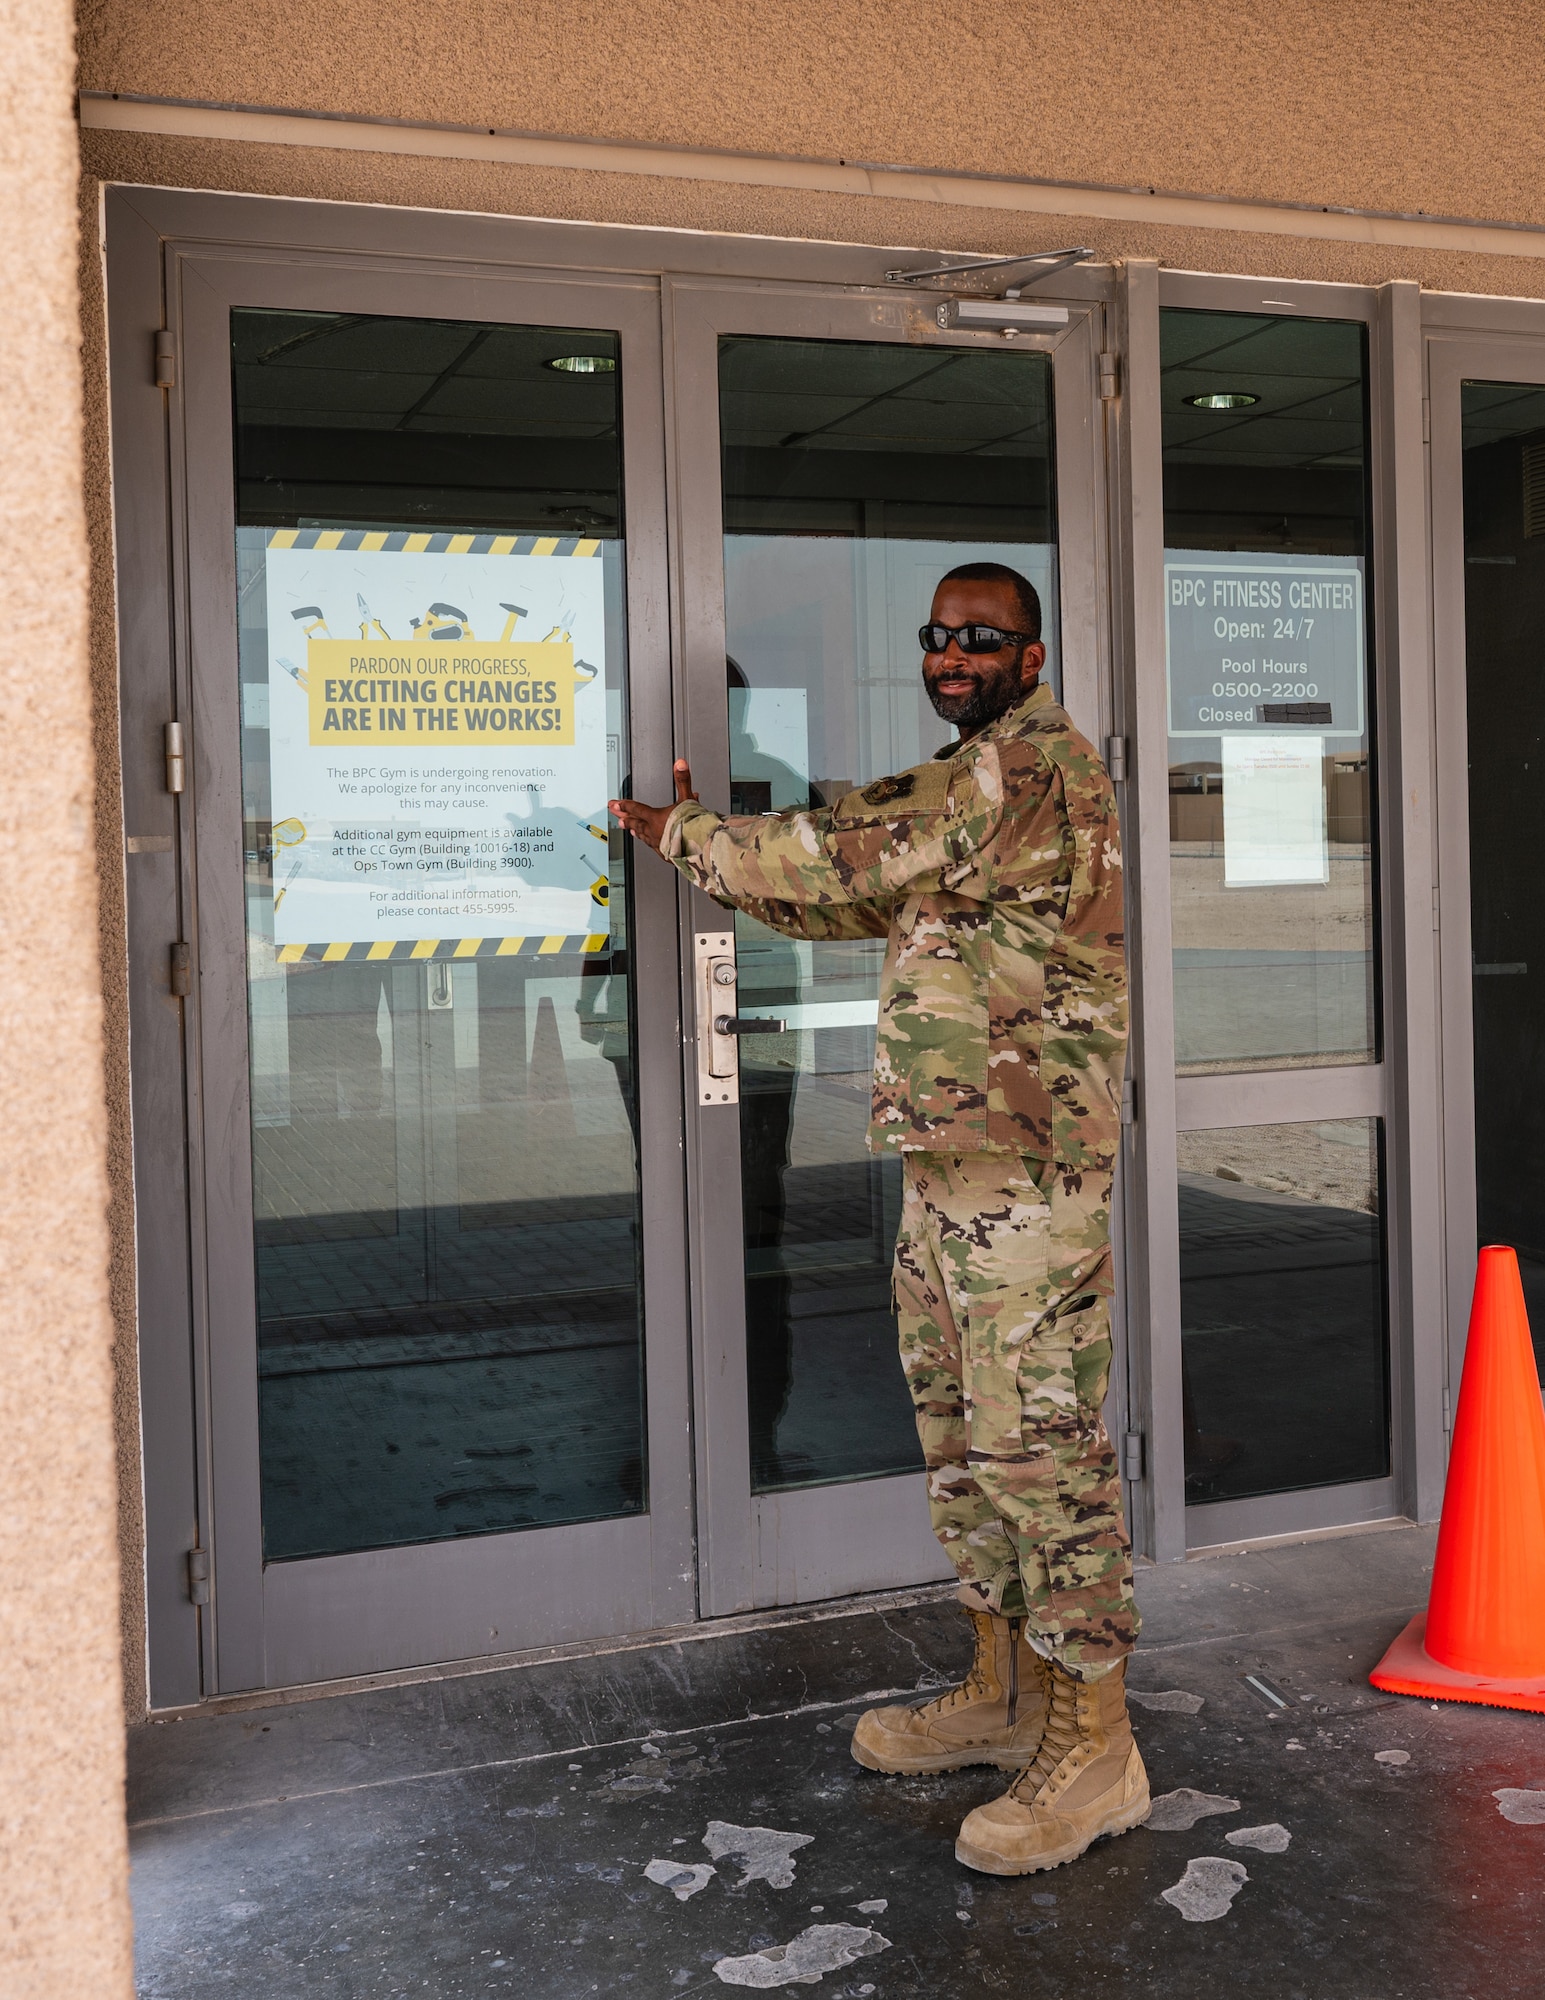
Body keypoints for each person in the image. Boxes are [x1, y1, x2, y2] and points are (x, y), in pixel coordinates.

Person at [609, 562, 1146, 1875]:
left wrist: (683, 831)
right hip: (956, 1170)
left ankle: (1097, 1746)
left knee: (1041, 1451)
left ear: (1028, 657)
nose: (951, 654)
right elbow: (842, 893)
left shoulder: (1022, 771)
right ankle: (1005, 1693)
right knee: (965, 1442)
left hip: (1028, 1178)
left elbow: (846, 847)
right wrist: (714, 851)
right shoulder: (964, 789)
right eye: (936, 636)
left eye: (981, 637)